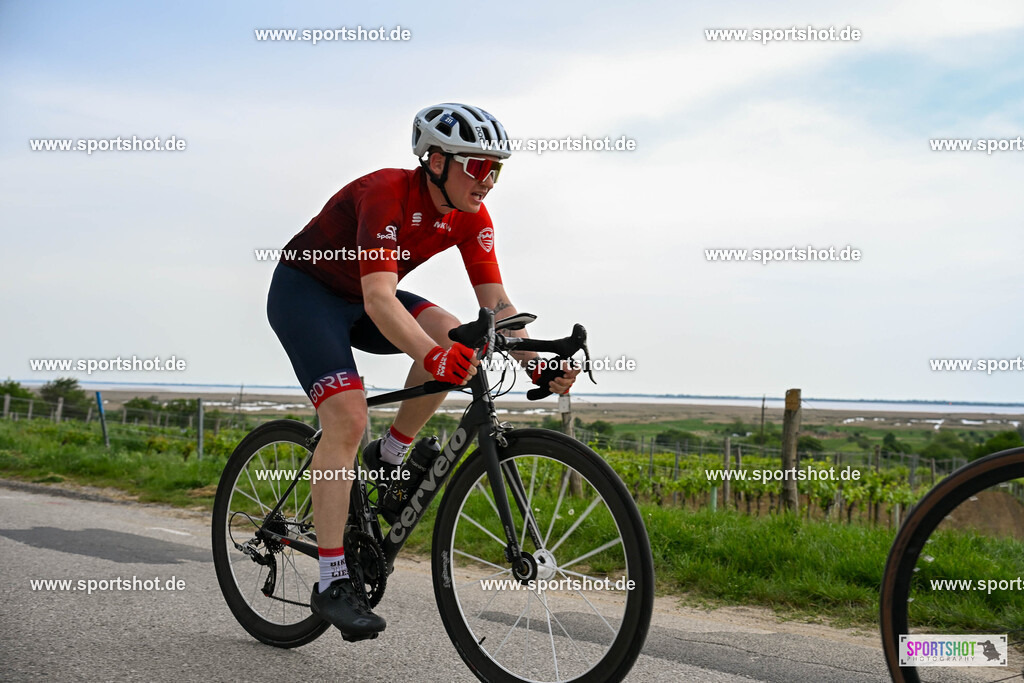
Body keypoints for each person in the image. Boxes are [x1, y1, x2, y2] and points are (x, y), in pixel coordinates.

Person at [266, 103, 579, 639]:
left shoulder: (473, 216)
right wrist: (433, 357)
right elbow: (379, 297)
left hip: (366, 300)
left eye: (496, 169)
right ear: (436, 161)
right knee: (347, 418)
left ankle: (390, 457)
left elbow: (497, 306)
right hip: (308, 295)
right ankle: (333, 580)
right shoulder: (385, 193)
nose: (489, 180)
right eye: (477, 166)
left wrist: (536, 362)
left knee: (461, 335)